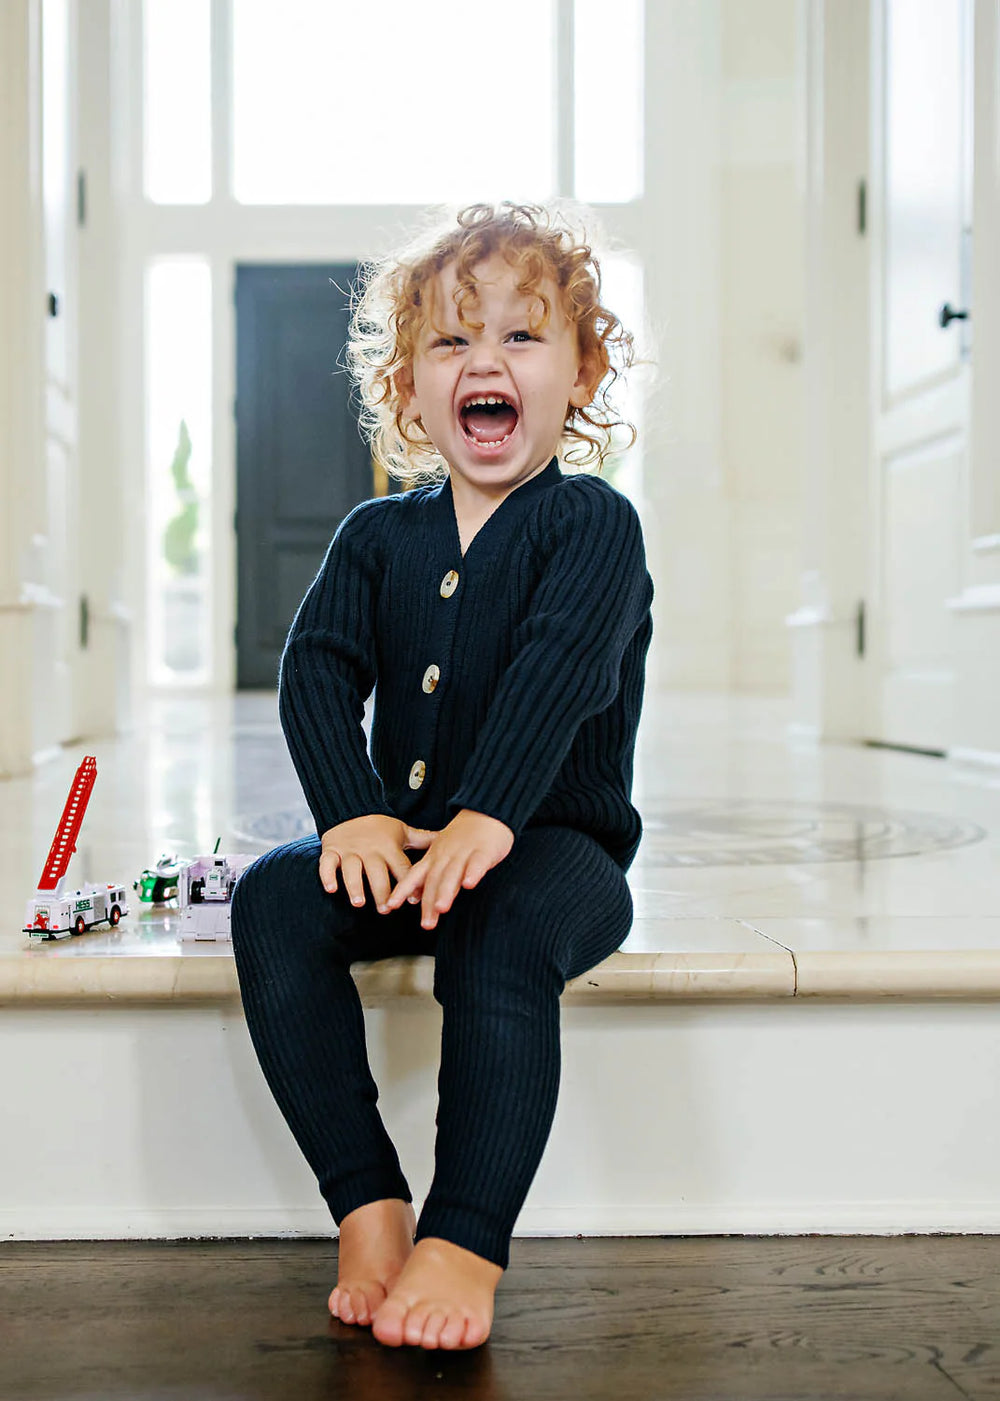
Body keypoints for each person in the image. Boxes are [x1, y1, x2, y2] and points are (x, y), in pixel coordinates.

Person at [230, 201, 654, 1352]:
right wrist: (353, 817)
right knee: (274, 901)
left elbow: (561, 669)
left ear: (581, 372)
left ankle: (464, 1238)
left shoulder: (593, 526)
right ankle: (367, 1206)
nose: (485, 362)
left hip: (556, 850)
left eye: (522, 336)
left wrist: (491, 816)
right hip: (409, 843)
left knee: (500, 937)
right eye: (452, 341)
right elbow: (316, 669)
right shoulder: (376, 536)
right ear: (409, 388)